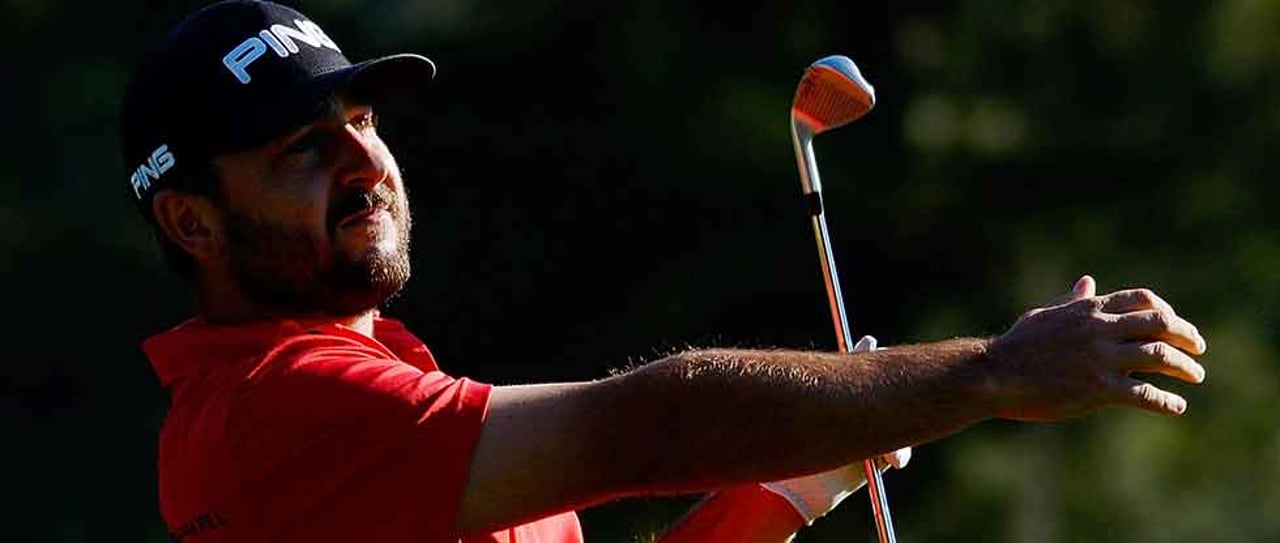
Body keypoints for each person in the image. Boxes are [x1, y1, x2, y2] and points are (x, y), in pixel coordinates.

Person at [120, 1, 1209, 541]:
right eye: (301, 148)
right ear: (191, 221)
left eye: (360, 121)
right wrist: (990, 371)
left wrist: (796, 483)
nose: (363, 160)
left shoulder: (380, 384)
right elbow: (647, 424)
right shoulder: (269, 410)